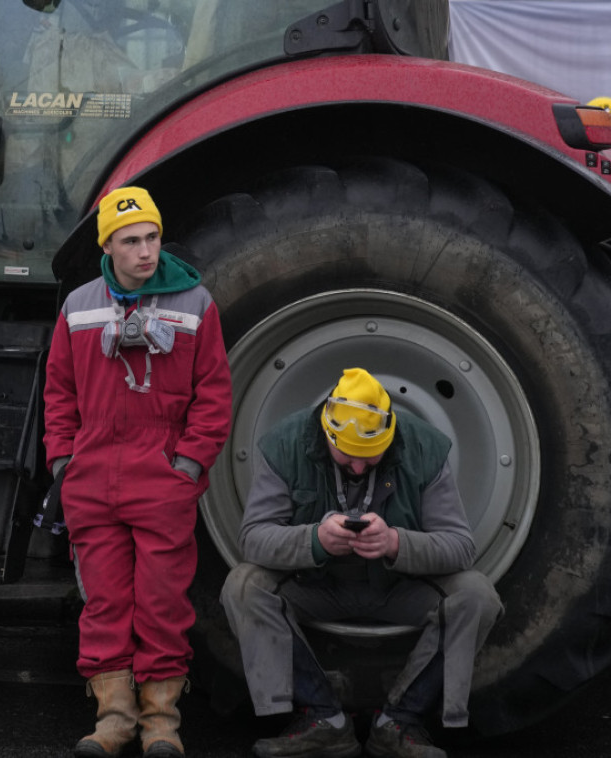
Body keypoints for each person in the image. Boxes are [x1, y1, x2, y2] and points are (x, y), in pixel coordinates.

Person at [220, 368, 503, 758]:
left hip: (399, 586)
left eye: (370, 458)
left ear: (389, 436)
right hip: (317, 584)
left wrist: (394, 542)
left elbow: (459, 547)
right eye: (348, 457)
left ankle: (400, 722)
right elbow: (252, 537)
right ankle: (323, 720)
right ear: (327, 433)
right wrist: (314, 541)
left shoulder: (424, 447)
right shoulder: (285, 444)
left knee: (476, 595)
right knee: (243, 585)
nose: (357, 468)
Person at [43, 186, 232, 758]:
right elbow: (58, 391)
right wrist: (63, 460)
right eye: (131, 242)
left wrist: (187, 464)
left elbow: (214, 397)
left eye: (152, 238)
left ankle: (161, 724)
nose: (146, 252)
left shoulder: (196, 304)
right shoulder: (78, 307)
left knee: (162, 604)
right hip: (92, 476)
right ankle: (114, 720)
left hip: (161, 478)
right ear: (108, 247)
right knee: (103, 604)